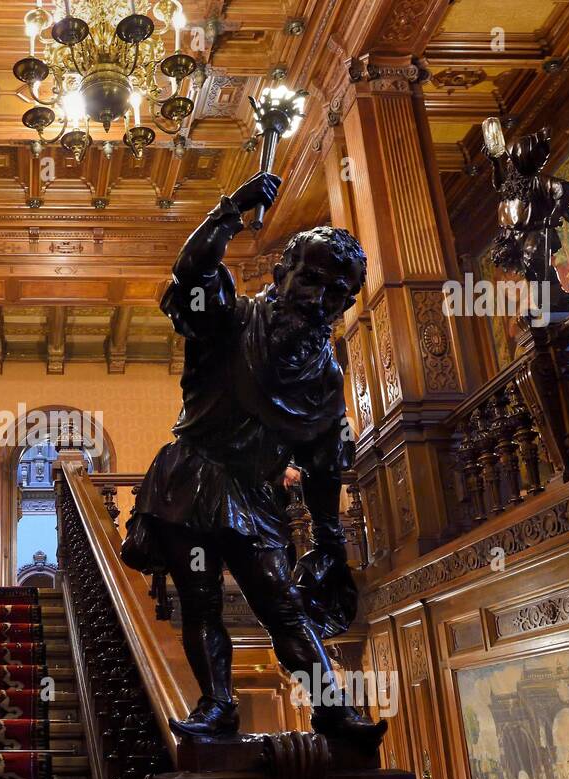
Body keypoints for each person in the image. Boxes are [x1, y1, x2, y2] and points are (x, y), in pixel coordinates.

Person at [120, 170, 387, 745]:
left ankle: (333, 707)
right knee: (200, 598)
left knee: (281, 604)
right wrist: (232, 209)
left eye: (338, 294)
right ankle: (217, 705)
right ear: (283, 272)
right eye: (312, 281)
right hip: (190, 482)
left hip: (253, 499)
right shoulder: (230, 319)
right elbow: (192, 272)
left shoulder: (325, 371)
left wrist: (328, 538)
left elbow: (321, 461)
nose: (321, 300)